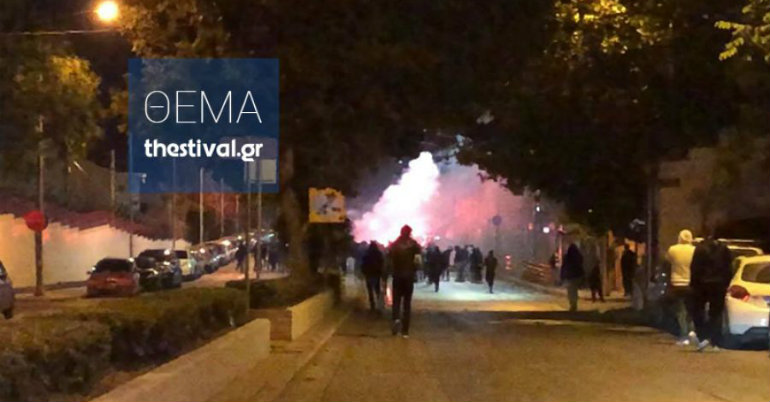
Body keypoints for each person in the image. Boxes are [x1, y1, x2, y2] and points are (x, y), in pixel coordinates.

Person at [690, 234, 732, 351]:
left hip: (701, 284)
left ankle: (702, 335)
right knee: (716, 313)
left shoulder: (700, 249)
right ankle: (715, 341)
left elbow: (695, 267)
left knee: (698, 311)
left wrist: (693, 283)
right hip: (719, 284)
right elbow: (729, 268)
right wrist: (726, 283)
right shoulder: (724, 249)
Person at [388, 225, 422, 338]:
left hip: (397, 276)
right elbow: (418, 262)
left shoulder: (394, 245)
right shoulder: (414, 245)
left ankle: (396, 319)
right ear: (410, 233)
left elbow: (389, 261)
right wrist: (415, 271)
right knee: (407, 304)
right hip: (409, 278)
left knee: (396, 302)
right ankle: (405, 331)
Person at [666, 229, 696, 346]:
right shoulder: (694, 250)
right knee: (691, 310)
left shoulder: (673, 249)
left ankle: (683, 335)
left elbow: (668, 261)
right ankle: (692, 331)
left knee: (680, 310)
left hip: (676, 283)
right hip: (691, 283)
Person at [361, 242, 385, 312]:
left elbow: (363, 264)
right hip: (376, 274)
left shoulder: (367, 254)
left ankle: (372, 305)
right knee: (377, 290)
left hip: (369, 274)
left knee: (370, 291)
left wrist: (364, 272)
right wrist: (381, 273)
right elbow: (382, 262)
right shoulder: (379, 253)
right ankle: (379, 306)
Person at [561, 243, 584, 312]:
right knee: (574, 290)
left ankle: (572, 304)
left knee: (571, 291)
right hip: (577, 276)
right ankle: (574, 303)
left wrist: (562, 276)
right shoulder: (579, 256)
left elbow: (564, 267)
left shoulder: (567, 257)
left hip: (570, 276)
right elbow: (581, 266)